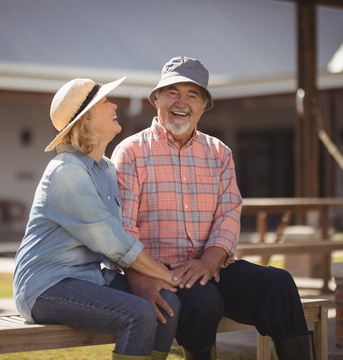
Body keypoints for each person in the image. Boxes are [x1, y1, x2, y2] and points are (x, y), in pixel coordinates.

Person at [112, 57, 315, 360]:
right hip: (159, 272)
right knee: (203, 301)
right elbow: (122, 228)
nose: (181, 102)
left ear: (204, 105)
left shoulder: (219, 153)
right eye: (172, 92)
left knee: (279, 284)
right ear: (156, 99)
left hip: (211, 267)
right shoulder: (130, 152)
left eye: (192, 95)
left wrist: (210, 260)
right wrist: (138, 275)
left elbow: (229, 213)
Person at [13, 76, 181, 360]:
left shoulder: (106, 170)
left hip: (90, 277)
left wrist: (162, 280)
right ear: (87, 119)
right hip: (46, 285)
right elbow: (114, 242)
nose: (114, 104)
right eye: (105, 101)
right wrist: (168, 275)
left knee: (167, 302)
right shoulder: (65, 172)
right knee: (139, 314)